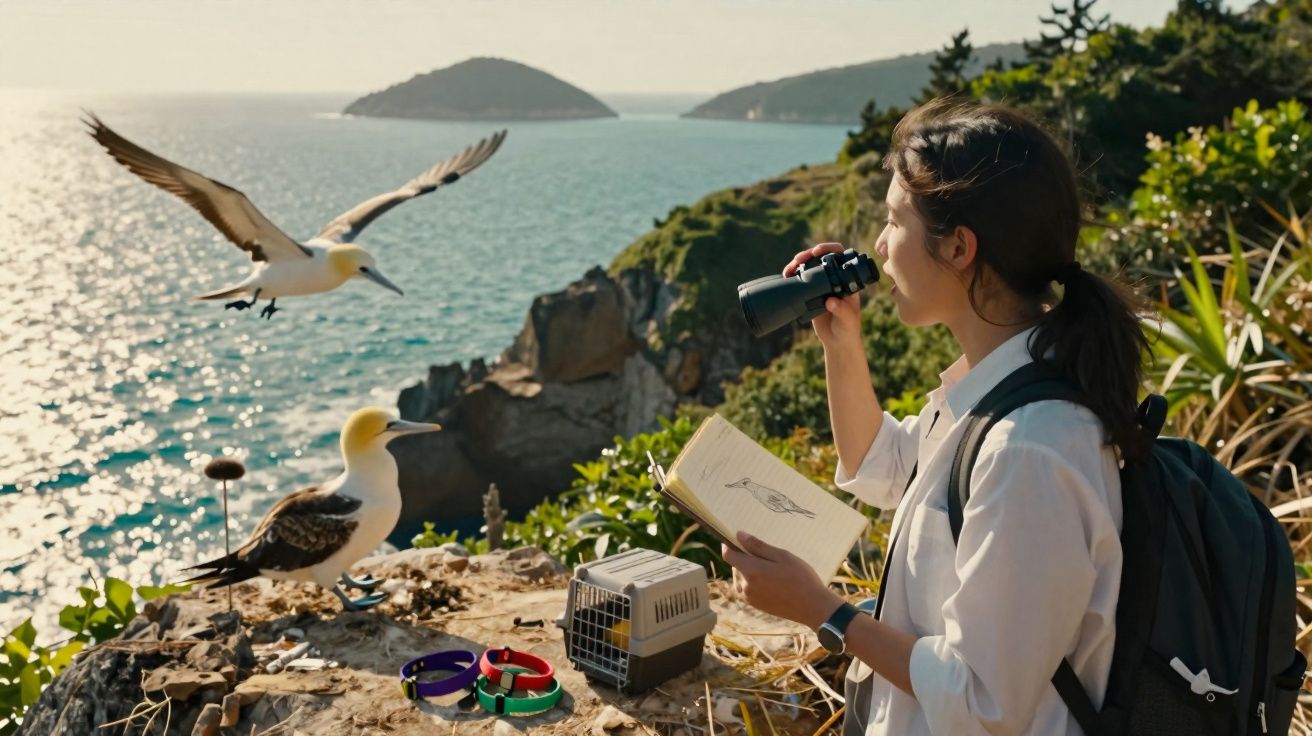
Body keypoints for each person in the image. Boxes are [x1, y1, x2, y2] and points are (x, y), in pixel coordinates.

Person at [721, 97, 1150, 735]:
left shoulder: (1029, 450)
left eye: (894, 221)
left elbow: (983, 702)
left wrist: (823, 610)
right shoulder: (1000, 390)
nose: (879, 245)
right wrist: (841, 346)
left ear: (958, 248)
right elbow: (885, 467)